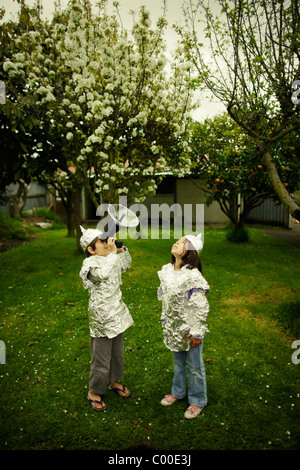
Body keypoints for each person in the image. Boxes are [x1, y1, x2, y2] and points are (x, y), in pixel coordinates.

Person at [79, 226, 133, 412]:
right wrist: (112, 255)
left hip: (116, 313)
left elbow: (125, 265)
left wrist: (121, 251)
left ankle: (114, 381)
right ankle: (95, 390)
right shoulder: (90, 265)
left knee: (117, 353)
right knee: (101, 358)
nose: (106, 243)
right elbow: (102, 275)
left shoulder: (110, 258)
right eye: (102, 241)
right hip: (102, 317)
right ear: (91, 250)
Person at [157, 233, 210, 419]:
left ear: (190, 254)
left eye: (184, 243)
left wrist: (196, 332)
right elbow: (166, 299)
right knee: (179, 363)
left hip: (190, 330)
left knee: (195, 366)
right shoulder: (167, 271)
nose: (178, 242)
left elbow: (200, 306)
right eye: (178, 240)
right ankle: (177, 391)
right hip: (174, 328)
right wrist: (166, 320)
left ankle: (197, 400)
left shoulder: (192, 277)